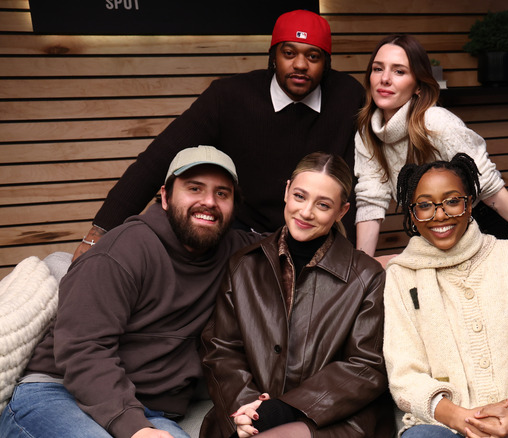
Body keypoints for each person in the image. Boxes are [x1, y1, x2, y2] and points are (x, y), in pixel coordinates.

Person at [0, 146, 262, 438]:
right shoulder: (122, 251)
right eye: (194, 188)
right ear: (165, 196)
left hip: (146, 408)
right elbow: (83, 350)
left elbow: (297, 238)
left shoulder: (237, 252)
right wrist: (135, 428)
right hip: (59, 392)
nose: (209, 202)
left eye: (222, 193)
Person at [73, 9, 364, 261]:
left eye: (312, 56)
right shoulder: (229, 97)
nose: (300, 65)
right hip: (243, 236)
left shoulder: (348, 97)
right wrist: (100, 232)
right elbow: (158, 159)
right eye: (289, 53)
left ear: (326, 63)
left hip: (317, 234)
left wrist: (351, 255)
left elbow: (361, 176)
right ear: (273, 56)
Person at [383, 153, 508, 438]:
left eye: (452, 201)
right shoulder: (401, 276)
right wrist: (459, 418)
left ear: (470, 202)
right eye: (425, 205)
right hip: (443, 425)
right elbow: (404, 372)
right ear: (412, 213)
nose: (440, 215)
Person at [200, 152, 395, 438]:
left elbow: (366, 366)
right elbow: (221, 349)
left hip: (333, 420)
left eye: (323, 204)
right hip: (245, 414)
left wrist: (284, 409)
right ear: (287, 191)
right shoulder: (243, 264)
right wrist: (249, 410)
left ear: (342, 211)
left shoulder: (366, 277)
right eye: (300, 196)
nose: (306, 212)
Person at [353, 34, 508, 258]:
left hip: (483, 231)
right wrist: (361, 268)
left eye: (399, 71)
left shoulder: (436, 123)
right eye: (377, 69)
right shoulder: (367, 132)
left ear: (418, 86)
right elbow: (370, 201)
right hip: (433, 235)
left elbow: (493, 193)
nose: (385, 79)